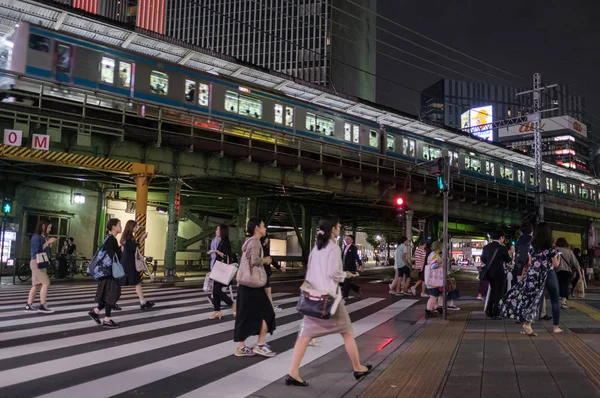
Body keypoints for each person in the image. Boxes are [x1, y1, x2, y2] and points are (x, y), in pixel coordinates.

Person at [286, 216, 372, 387]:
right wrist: (347, 274)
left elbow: (310, 271)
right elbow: (334, 274)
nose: (339, 227)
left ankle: (293, 373)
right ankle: (358, 368)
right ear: (333, 229)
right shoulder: (333, 248)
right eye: (338, 226)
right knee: (347, 332)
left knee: (304, 336)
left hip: (313, 298)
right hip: (328, 300)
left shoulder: (316, 248)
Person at [500, 223, 562, 335]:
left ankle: (527, 323)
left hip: (533, 274)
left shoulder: (532, 248)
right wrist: (558, 256)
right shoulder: (551, 249)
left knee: (534, 299)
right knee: (555, 299)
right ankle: (556, 327)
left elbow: (529, 263)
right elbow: (556, 265)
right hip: (548, 274)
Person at [234, 217, 276, 358]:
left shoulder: (248, 242)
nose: (265, 228)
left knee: (244, 315)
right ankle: (260, 345)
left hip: (245, 285)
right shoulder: (256, 242)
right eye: (263, 226)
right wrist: (265, 260)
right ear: (257, 228)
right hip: (254, 285)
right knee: (268, 313)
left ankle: (241, 347)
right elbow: (254, 261)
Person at [88, 218, 123, 329]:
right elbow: (113, 257)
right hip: (109, 273)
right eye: (119, 225)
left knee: (107, 296)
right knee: (111, 295)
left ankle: (95, 311)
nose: (120, 227)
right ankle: (107, 319)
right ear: (113, 227)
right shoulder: (111, 239)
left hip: (105, 272)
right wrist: (121, 249)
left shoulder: (108, 239)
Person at [119, 220, 154, 310]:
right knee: (134, 282)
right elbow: (134, 248)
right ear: (131, 227)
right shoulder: (129, 237)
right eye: (136, 226)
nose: (137, 228)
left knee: (135, 282)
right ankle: (110, 302)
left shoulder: (125, 237)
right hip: (130, 263)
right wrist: (142, 239)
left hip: (126, 262)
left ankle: (143, 302)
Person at [25, 219, 57, 313]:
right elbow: (38, 251)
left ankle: (29, 305)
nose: (50, 229)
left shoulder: (41, 236)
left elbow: (43, 249)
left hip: (38, 262)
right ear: (43, 226)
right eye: (49, 227)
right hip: (37, 262)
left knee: (36, 284)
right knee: (46, 283)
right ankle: (42, 305)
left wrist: (49, 243)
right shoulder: (36, 237)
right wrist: (48, 242)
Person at [480, 231, 512, 319]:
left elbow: (483, 258)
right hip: (499, 273)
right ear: (501, 237)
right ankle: (496, 312)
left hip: (489, 273)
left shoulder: (486, 247)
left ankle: (489, 310)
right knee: (498, 293)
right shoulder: (502, 248)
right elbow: (508, 260)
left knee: (493, 291)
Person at [209, 224, 235, 320]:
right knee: (215, 291)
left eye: (217, 229)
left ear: (221, 231)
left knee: (216, 290)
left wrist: (216, 251)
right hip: (218, 268)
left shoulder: (225, 242)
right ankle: (217, 311)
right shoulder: (220, 241)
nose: (216, 230)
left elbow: (226, 256)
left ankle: (232, 304)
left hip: (222, 269)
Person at [555, 238, 582, 309]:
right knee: (565, 286)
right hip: (567, 272)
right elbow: (575, 263)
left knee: (558, 286)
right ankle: (563, 302)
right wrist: (580, 274)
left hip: (557, 271)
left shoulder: (555, 250)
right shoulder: (569, 252)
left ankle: (557, 300)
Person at [261, 235, 285, 312]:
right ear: (265, 239)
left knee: (263, 291)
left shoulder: (257, 248)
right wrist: (279, 267)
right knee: (268, 292)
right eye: (267, 238)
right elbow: (270, 260)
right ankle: (271, 308)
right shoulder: (264, 248)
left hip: (259, 273)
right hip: (264, 272)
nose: (268, 240)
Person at [342, 235, 362, 299]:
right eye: (346, 239)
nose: (346, 240)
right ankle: (356, 289)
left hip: (350, 268)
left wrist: (360, 265)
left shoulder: (353, 248)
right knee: (342, 281)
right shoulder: (345, 247)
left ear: (351, 240)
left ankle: (345, 296)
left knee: (346, 281)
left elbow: (357, 257)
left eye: (348, 239)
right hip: (344, 267)